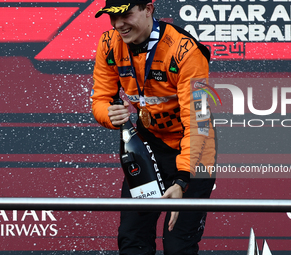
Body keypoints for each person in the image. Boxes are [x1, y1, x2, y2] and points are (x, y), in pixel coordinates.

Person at [91, 0, 216, 254]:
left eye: (125, 15)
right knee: (132, 240)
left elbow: (198, 121)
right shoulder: (108, 43)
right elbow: (101, 99)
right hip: (147, 148)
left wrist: (182, 181)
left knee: (178, 245)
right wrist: (108, 114)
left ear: (148, 9)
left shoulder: (185, 51)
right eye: (112, 17)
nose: (118, 25)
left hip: (194, 152)